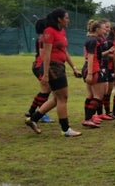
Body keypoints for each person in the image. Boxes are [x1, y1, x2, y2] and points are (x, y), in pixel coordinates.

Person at [25, 8, 83, 137]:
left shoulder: (61, 32)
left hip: (60, 66)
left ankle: (33, 119)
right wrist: (45, 74)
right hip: (53, 67)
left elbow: (64, 51)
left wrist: (73, 67)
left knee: (57, 98)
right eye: (66, 18)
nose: (68, 20)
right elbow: (46, 54)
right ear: (59, 19)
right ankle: (65, 129)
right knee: (63, 98)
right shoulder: (49, 32)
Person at [24, 18, 54, 123]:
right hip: (40, 66)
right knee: (46, 91)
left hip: (40, 66)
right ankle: (41, 114)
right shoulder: (43, 38)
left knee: (46, 90)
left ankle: (31, 111)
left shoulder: (43, 37)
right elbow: (42, 54)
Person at [81, 19, 109, 128]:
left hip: (89, 68)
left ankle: (88, 117)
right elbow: (91, 57)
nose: (105, 30)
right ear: (97, 29)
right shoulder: (93, 40)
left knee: (90, 95)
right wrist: (90, 73)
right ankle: (88, 118)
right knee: (98, 96)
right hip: (94, 69)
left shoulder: (90, 38)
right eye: (103, 28)